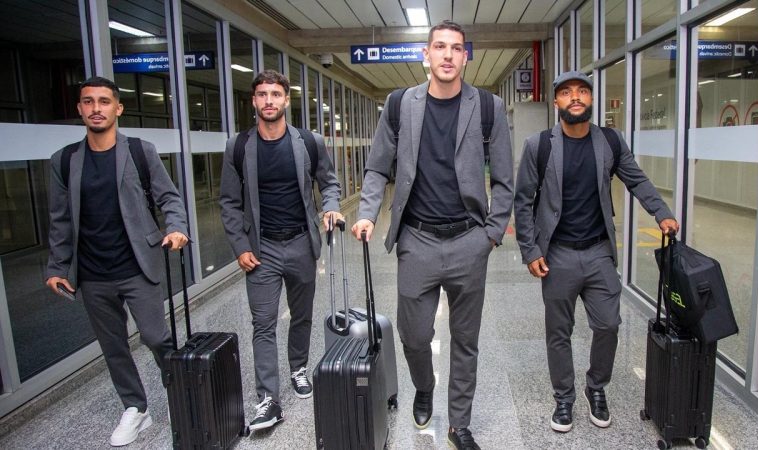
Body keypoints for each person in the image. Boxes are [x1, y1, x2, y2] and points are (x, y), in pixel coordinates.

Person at [351, 20, 513, 450]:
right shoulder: (400, 104)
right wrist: (367, 212)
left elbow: (505, 181)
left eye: (455, 48)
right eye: (438, 47)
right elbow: (376, 166)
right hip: (417, 241)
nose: (446, 55)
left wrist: (491, 235)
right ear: (426, 55)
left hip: (468, 241)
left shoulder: (489, 107)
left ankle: (460, 424)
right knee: (415, 335)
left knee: (465, 339)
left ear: (465, 57)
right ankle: (424, 386)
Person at [513, 71, 680, 433]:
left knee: (608, 325)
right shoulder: (538, 145)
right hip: (556, 255)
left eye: (583, 92)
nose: (576, 97)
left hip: (599, 252)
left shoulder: (609, 142)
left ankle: (596, 387)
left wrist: (662, 212)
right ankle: (564, 398)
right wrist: (530, 250)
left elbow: (636, 179)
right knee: (559, 331)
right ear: (557, 102)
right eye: (567, 92)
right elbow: (523, 201)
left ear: (591, 100)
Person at [45, 76, 189, 447]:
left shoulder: (140, 151)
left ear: (118, 108)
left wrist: (175, 228)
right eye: (88, 102)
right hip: (92, 274)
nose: (96, 108)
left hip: (137, 265)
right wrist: (57, 267)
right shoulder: (65, 161)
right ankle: (136, 408)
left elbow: (169, 198)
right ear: (79, 108)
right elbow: (60, 220)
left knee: (157, 337)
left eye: (104, 101)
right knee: (113, 346)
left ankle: (178, 395)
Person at [219, 70, 342, 432]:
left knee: (301, 316)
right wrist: (240, 246)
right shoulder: (239, 146)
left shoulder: (308, 141)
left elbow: (329, 182)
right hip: (262, 249)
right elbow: (228, 201)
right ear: (253, 101)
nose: (269, 101)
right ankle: (268, 399)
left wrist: (331, 206)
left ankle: (299, 368)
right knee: (263, 323)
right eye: (262, 95)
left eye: (276, 94)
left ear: (287, 100)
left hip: (302, 243)